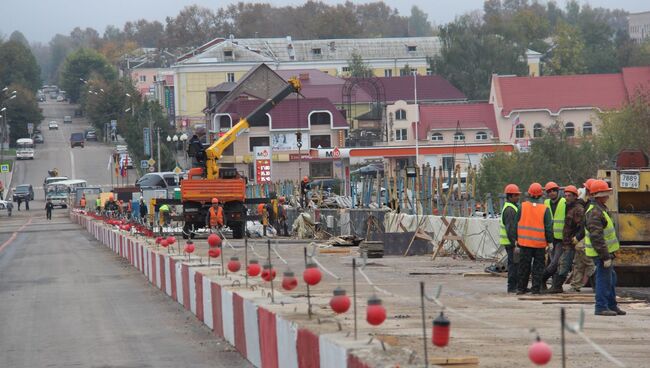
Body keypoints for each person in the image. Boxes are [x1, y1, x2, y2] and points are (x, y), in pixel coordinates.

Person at [585, 179, 625, 316]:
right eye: (606, 193)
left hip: (605, 252)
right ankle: (601, 307)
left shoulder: (600, 209)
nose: (608, 196)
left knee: (611, 278)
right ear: (599, 195)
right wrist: (605, 256)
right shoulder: (595, 212)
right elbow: (596, 237)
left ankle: (611, 305)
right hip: (602, 253)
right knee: (603, 279)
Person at [516, 183, 554, 295]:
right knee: (538, 267)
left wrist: (516, 240)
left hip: (524, 243)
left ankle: (521, 288)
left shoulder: (521, 207)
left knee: (524, 266)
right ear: (541, 195)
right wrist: (550, 242)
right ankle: (536, 289)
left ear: (529, 194)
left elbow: (515, 224)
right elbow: (548, 228)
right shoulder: (545, 209)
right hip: (539, 245)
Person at [547, 185, 583, 293]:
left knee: (564, 264)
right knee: (562, 263)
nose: (567, 197)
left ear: (575, 196)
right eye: (566, 195)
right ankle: (557, 286)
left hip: (571, 242)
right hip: (565, 241)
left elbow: (583, 226)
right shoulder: (568, 207)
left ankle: (557, 286)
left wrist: (577, 237)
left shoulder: (578, 209)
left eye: (569, 195)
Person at [570, 181, 596, 292]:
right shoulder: (588, 203)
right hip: (584, 237)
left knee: (590, 263)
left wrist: (578, 237)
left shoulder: (592, 206)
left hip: (587, 238)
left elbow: (586, 225)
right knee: (578, 262)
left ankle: (598, 286)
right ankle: (576, 285)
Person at [541, 181, 566, 290]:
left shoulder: (564, 202)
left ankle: (541, 279)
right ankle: (552, 285)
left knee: (555, 263)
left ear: (557, 191)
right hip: (550, 239)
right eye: (549, 191)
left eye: (554, 191)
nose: (552, 193)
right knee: (551, 262)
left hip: (561, 239)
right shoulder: (545, 203)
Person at [499, 184, 521, 293]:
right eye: (516, 195)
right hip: (511, 243)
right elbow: (511, 229)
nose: (518, 197)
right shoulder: (510, 210)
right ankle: (512, 287)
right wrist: (515, 243)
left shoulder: (511, 207)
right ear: (510, 196)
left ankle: (514, 286)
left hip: (510, 242)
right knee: (514, 264)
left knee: (514, 263)